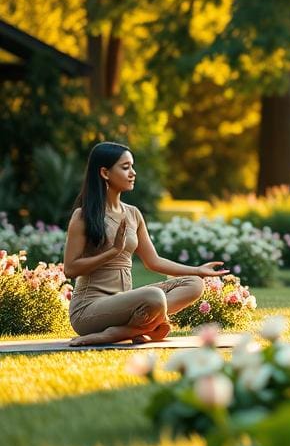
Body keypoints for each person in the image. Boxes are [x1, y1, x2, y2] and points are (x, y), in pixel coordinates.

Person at [64, 141, 228, 346]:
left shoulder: (133, 214)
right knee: (154, 297)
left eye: (132, 166)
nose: (133, 173)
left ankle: (122, 332)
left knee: (194, 283)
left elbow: (154, 261)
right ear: (105, 173)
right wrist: (113, 251)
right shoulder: (83, 216)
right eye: (125, 168)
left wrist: (197, 270)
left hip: (125, 304)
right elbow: (70, 269)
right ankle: (146, 327)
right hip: (89, 310)